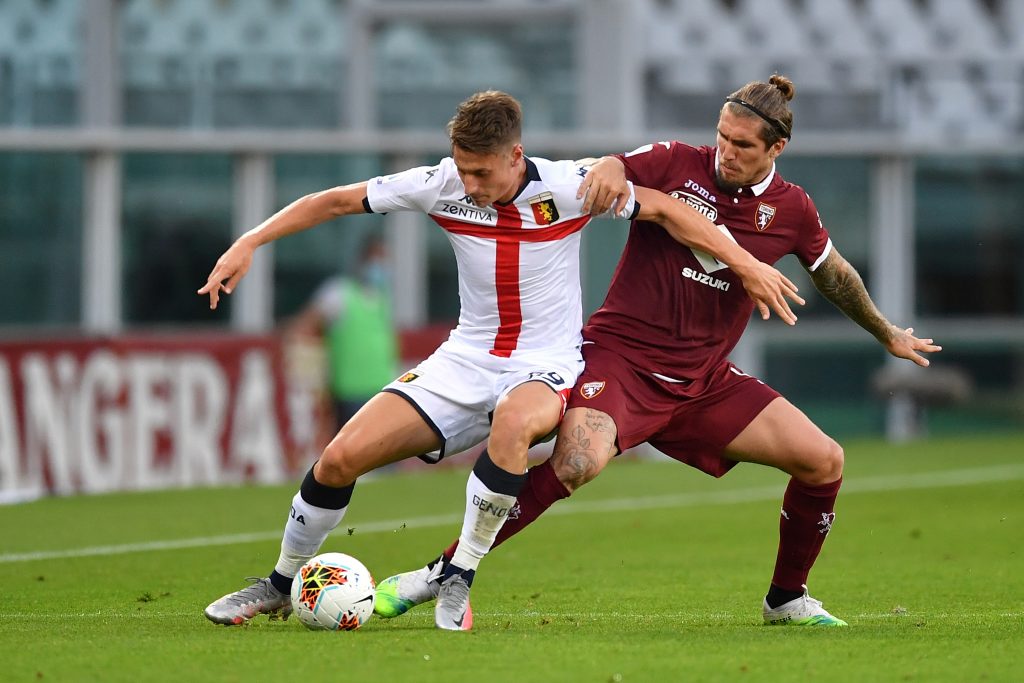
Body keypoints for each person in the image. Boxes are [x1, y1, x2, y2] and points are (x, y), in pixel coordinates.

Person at [198, 90, 801, 631]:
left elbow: (670, 210)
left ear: (516, 156)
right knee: (338, 460)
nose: (469, 184)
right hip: (463, 361)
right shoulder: (441, 184)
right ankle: (279, 583)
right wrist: (249, 241)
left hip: (546, 365)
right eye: (462, 168)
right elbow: (333, 202)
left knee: (515, 423)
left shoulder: (569, 187)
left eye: (481, 172)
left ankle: (459, 573)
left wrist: (746, 265)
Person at [374, 76, 943, 627]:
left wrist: (886, 332)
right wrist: (607, 167)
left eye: (743, 145)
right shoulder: (675, 162)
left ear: (777, 148)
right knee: (576, 463)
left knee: (824, 460)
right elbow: (613, 168)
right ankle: (446, 570)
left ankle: (787, 599)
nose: (726, 151)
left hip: (704, 382)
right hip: (620, 361)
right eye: (722, 136)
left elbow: (833, 273)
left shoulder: (792, 209)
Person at [286, 234, 398, 432]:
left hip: (382, 390)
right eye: (377, 258)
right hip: (349, 393)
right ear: (362, 260)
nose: (382, 266)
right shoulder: (338, 294)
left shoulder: (382, 299)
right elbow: (303, 327)